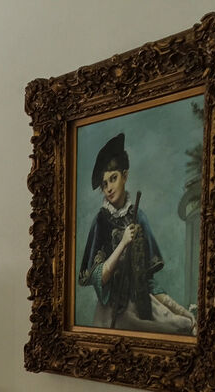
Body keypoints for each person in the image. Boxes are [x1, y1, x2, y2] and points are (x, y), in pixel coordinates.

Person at [78, 133, 196, 335]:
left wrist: (182, 312)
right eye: (104, 184)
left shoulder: (138, 216)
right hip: (112, 311)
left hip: (142, 304)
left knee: (182, 325)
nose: (109, 188)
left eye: (113, 179)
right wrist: (123, 243)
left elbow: (148, 281)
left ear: (125, 176)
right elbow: (99, 278)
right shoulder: (101, 221)